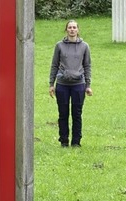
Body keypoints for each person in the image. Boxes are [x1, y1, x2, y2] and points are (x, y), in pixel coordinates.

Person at [49, 20, 92, 148]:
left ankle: (76, 142)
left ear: (78, 30)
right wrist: (51, 84)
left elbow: (87, 65)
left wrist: (88, 85)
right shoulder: (59, 46)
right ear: (66, 30)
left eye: (74, 27)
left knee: (77, 113)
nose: (72, 30)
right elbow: (54, 65)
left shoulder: (84, 46)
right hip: (62, 84)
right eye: (69, 27)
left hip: (79, 84)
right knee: (63, 113)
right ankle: (63, 140)